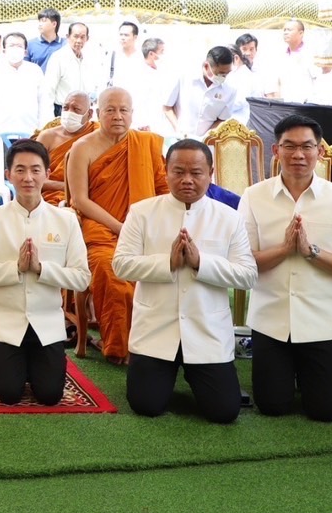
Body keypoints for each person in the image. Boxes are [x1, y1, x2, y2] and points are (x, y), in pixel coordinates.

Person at [113, 140, 258, 423]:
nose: (187, 180)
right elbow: (121, 264)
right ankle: (165, 376)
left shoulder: (229, 217)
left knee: (224, 412)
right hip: (155, 330)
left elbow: (247, 274)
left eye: (196, 172)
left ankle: (196, 374)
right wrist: (167, 263)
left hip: (207, 331)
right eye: (178, 172)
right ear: (165, 172)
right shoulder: (142, 212)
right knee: (146, 405)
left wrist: (200, 262)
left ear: (211, 173)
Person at [240, 114, 332, 422]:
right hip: (272, 320)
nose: (299, 155)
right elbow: (243, 262)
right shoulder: (254, 196)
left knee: (323, 411)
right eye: (290, 146)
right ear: (276, 151)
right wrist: (284, 250)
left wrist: (311, 252)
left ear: (320, 152)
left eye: (307, 147)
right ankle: (286, 375)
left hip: (320, 321)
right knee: (273, 406)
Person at [0, 140, 90, 405]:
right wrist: (16, 269)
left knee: (49, 395)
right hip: (7, 325)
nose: (28, 178)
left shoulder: (66, 220)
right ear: (8, 175)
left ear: (47, 173)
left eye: (36, 170)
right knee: (9, 394)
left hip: (47, 325)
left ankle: (38, 367)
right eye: (20, 170)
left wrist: (40, 269)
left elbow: (82, 278)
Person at [65, 87, 168, 363]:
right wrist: (120, 227)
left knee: (166, 270)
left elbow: (163, 190)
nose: (118, 116)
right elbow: (79, 200)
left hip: (145, 229)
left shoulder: (145, 144)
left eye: (124, 110)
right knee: (114, 277)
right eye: (110, 110)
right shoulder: (82, 148)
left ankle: (159, 344)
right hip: (100, 230)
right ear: (98, 114)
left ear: (132, 114)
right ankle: (120, 347)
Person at [165, 46, 249, 139]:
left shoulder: (230, 89)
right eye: (220, 73)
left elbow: (222, 120)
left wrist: (206, 137)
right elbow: (167, 107)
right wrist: (178, 130)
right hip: (177, 137)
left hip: (205, 143)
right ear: (206, 66)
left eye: (227, 73)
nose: (224, 77)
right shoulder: (184, 78)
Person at [32, 91, 94, 206]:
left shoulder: (96, 135)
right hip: (50, 198)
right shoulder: (47, 137)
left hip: (87, 198)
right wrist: (66, 187)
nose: (69, 112)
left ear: (89, 114)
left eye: (76, 109)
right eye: (65, 108)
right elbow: (33, 177)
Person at [0, 31, 45, 152]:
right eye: (11, 46)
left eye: (19, 46)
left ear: (25, 51)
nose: (15, 49)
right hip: (2, 131)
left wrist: (42, 129)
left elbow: (43, 101)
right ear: (4, 50)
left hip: (31, 131)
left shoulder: (35, 71)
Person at [44, 22, 97, 120]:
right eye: (75, 36)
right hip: (63, 112)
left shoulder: (89, 59)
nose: (79, 40)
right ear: (68, 37)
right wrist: (49, 119)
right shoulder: (58, 58)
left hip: (82, 112)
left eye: (82, 37)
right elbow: (48, 91)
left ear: (87, 39)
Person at [133, 38, 175, 134]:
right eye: (161, 51)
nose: (163, 55)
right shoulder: (138, 73)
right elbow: (138, 100)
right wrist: (142, 121)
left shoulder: (161, 71)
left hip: (161, 125)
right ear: (151, 54)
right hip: (144, 126)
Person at [273, 19, 320, 103]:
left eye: (289, 30)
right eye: (284, 30)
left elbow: (318, 81)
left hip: (306, 106)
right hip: (286, 106)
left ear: (301, 33)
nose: (286, 32)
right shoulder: (280, 55)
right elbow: (278, 83)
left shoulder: (310, 53)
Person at [229, 33, 273, 99]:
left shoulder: (264, 72)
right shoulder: (230, 72)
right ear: (237, 51)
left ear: (256, 50)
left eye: (251, 49)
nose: (248, 53)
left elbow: (271, 97)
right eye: (244, 49)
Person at [108, 21, 145, 90]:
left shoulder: (141, 57)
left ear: (135, 37)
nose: (122, 38)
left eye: (126, 35)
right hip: (116, 97)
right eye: (121, 34)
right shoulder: (112, 56)